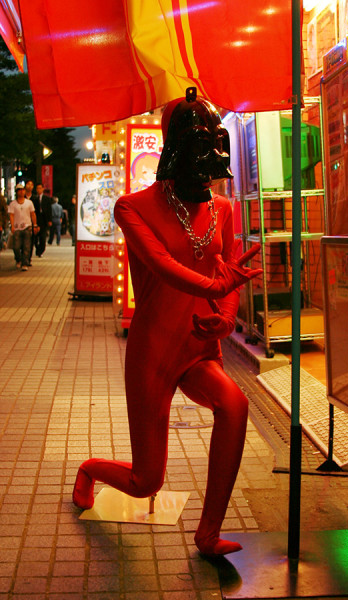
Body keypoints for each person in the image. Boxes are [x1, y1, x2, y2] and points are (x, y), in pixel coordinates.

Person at [72, 89, 262, 557]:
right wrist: (214, 290)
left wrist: (224, 316)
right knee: (145, 481)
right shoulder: (132, 207)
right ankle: (90, 469)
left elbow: (230, 271)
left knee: (235, 407)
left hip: (198, 346)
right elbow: (160, 265)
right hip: (153, 351)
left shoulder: (222, 208)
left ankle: (207, 534)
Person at [8, 183, 39, 270]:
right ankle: (18, 259)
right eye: (19, 190)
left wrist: (35, 225)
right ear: (17, 192)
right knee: (16, 246)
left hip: (27, 226)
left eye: (22, 190)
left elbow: (33, 214)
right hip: (17, 227)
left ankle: (25, 263)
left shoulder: (29, 203)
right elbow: (11, 215)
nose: (21, 192)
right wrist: (12, 226)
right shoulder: (13, 204)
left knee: (27, 246)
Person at [33, 183, 53, 257]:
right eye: (37, 188)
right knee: (35, 238)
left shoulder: (47, 199)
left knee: (43, 237)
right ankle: (37, 249)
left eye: (40, 188)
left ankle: (40, 251)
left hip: (44, 220)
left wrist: (50, 220)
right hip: (36, 219)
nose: (39, 189)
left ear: (43, 189)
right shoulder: (34, 199)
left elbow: (49, 210)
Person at [24, 179, 36, 265]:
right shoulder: (20, 198)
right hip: (20, 223)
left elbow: (36, 213)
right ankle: (22, 258)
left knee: (30, 242)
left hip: (30, 223)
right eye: (28, 184)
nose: (30, 186)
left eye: (31, 184)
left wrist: (35, 224)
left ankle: (28, 258)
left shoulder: (34, 198)